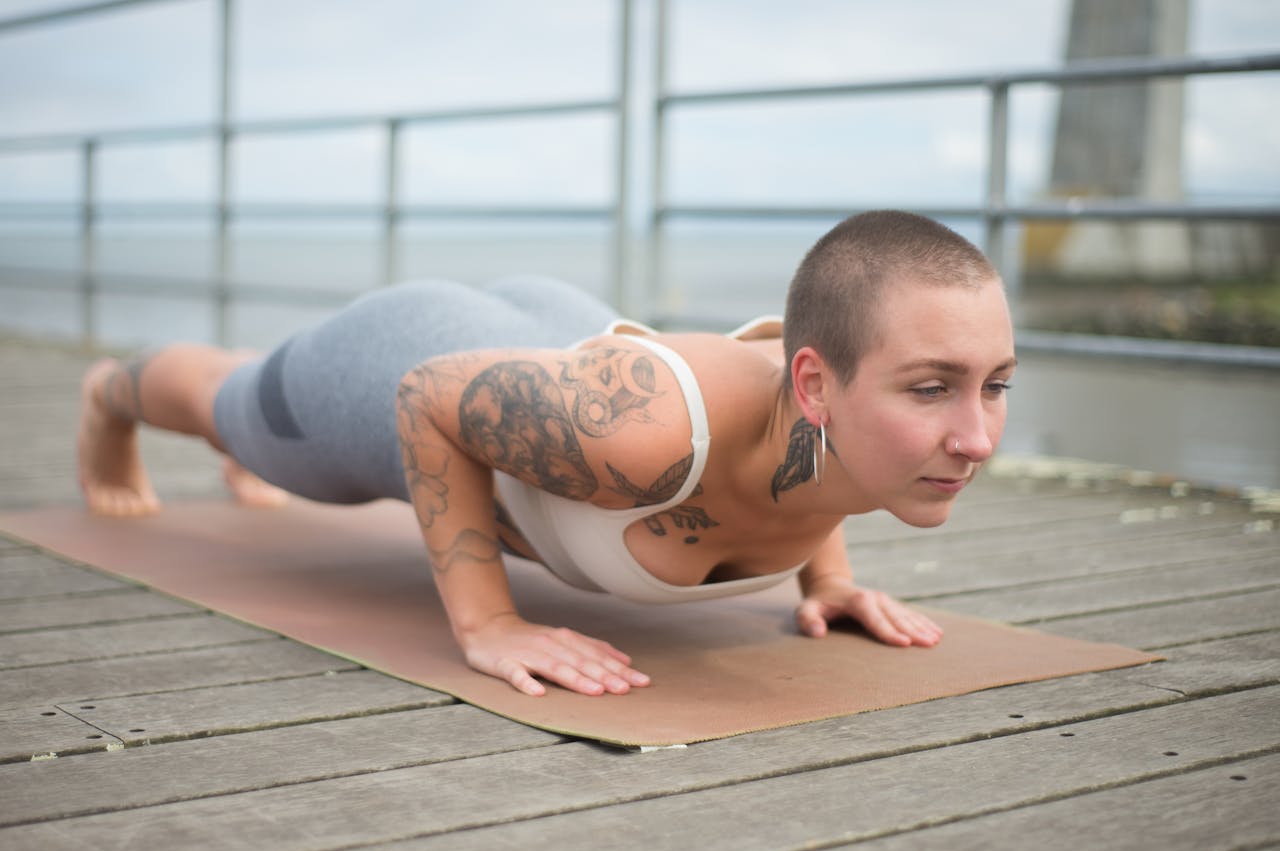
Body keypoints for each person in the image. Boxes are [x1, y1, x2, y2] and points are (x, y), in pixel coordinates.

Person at [77, 210, 1016, 698]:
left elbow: (802, 465)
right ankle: (109, 397)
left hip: (560, 347)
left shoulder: (846, 419)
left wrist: (827, 584)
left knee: (255, 414)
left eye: (997, 384)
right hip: (416, 355)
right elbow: (426, 396)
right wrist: (489, 624)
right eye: (932, 387)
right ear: (816, 385)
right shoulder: (642, 440)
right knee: (238, 404)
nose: (975, 438)